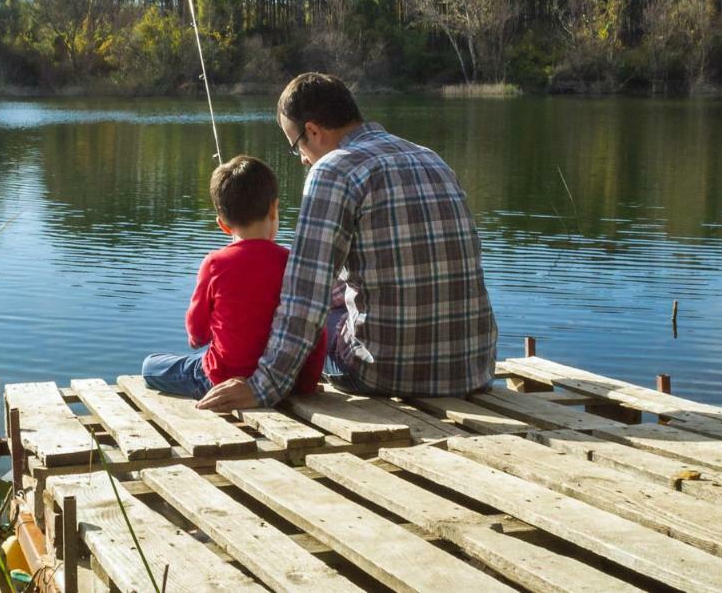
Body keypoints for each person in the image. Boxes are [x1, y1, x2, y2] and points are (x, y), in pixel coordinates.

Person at [197, 72, 497, 411]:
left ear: (313, 131)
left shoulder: (332, 170)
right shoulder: (431, 159)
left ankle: (210, 371)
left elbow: (304, 299)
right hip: (472, 368)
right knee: (328, 296)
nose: (303, 160)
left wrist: (263, 386)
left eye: (296, 147)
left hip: (386, 373)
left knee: (276, 315)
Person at [141, 155, 326, 400]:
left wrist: (200, 337)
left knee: (150, 366)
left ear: (223, 225)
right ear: (274, 209)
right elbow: (316, 331)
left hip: (221, 378)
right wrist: (307, 384)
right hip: (286, 379)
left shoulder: (215, 263)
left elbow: (197, 334)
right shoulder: (293, 262)